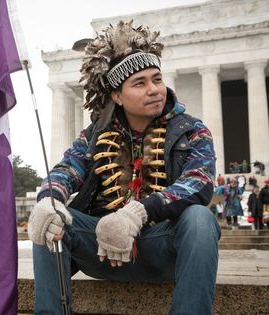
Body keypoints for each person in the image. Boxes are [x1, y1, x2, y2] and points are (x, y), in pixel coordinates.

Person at [28, 21, 219, 315]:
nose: (155, 89)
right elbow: (66, 170)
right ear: (116, 95)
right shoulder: (94, 136)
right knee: (52, 216)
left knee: (200, 219)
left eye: (157, 79)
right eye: (139, 83)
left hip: (160, 248)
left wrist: (139, 211)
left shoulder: (192, 130)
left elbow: (199, 181)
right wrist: (47, 198)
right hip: (101, 248)